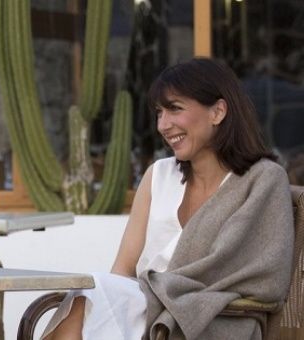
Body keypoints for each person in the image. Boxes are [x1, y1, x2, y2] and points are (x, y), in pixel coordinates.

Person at [42, 58, 294, 340]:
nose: (163, 124)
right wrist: (115, 303)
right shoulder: (158, 175)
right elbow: (123, 268)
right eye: (159, 112)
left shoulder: (262, 180)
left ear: (218, 112)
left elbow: (262, 275)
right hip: (143, 308)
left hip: (212, 317)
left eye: (175, 108)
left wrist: (149, 298)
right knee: (88, 297)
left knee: (86, 299)